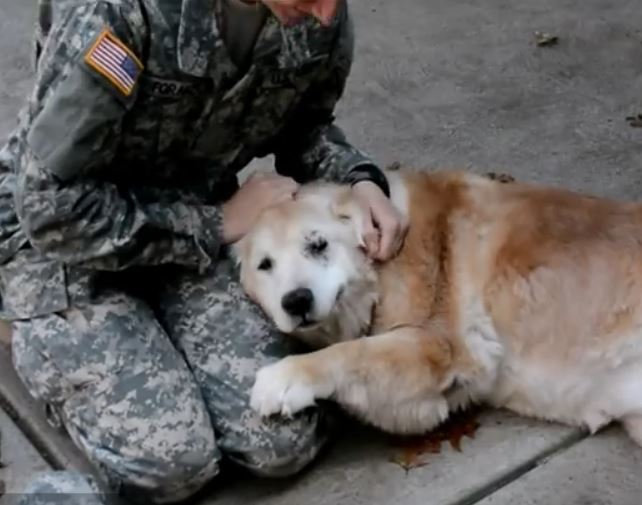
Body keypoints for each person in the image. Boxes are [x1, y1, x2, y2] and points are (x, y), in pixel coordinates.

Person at [0, 0, 407, 503]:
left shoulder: (318, 17)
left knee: (281, 437)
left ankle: (149, 335)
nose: (327, 14)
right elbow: (48, 205)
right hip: (62, 250)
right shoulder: (120, 13)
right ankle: (26, 328)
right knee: (173, 465)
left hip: (191, 231)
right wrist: (215, 224)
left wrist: (359, 181)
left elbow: (305, 128)